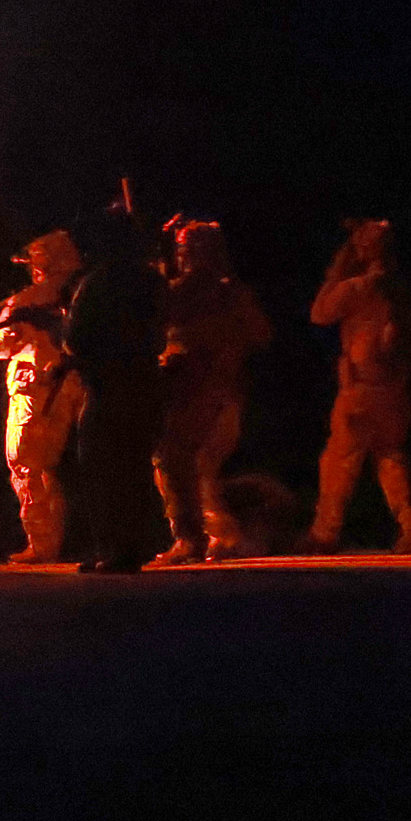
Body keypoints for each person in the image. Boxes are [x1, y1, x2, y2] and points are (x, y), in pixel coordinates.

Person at [151, 219, 271, 563]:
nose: (185, 257)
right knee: (196, 465)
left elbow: (259, 333)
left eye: (188, 251)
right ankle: (223, 535)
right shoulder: (212, 289)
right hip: (208, 389)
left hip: (205, 388)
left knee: (174, 459)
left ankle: (191, 538)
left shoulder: (212, 290)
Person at [306, 218, 411, 552]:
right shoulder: (404, 290)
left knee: (338, 462)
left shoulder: (357, 288)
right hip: (395, 389)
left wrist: (337, 269)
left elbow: (320, 313)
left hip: (361, 389)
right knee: (390, 457)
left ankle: (324, 532)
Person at [62, 203, 166, 573]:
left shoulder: (99, 282)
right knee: (134, 465)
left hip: (108, 382)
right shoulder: (151, 280)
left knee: (103, 464)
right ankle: (135, 543)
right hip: (143, 379)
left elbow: (76, 337)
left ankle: (118, 547)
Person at [0, 229, 87, 563]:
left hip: (35, 387)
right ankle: (51, 542)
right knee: (47, 467)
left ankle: (41, 543)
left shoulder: (30, 298)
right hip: (67, 385)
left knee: (25, 463)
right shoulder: (80, 292)